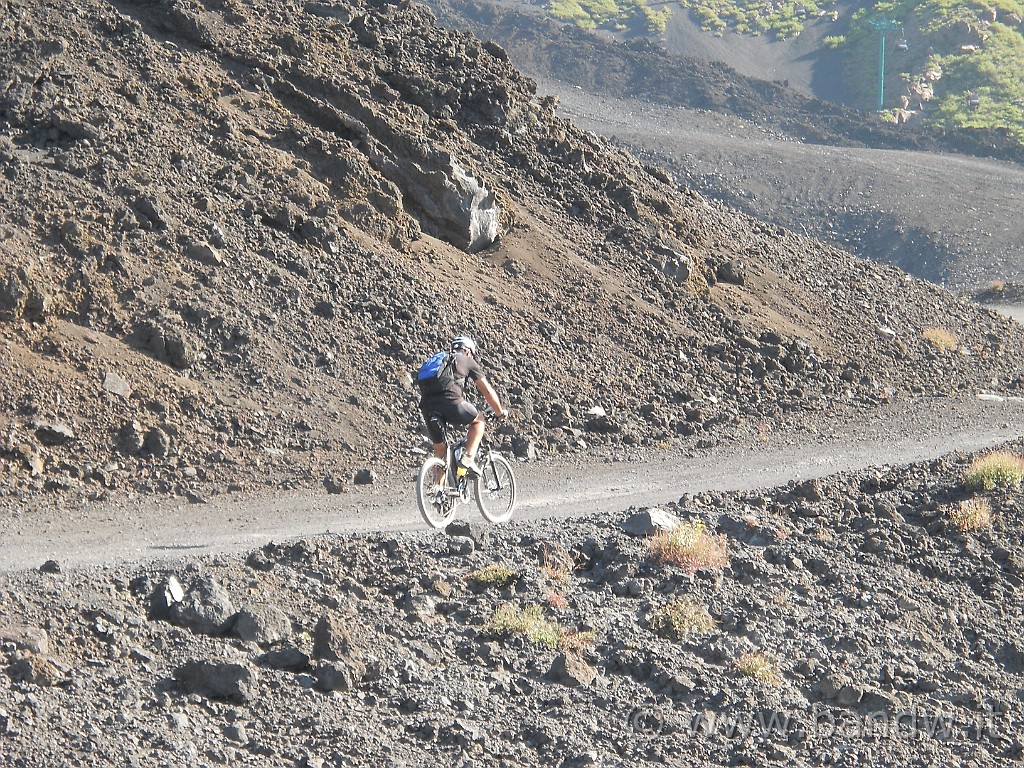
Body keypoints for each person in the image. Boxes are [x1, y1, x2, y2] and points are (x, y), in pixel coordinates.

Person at [419, 336, 506, 475]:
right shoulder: (467, 360)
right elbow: (488, 391)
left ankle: (437, 490)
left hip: (427, 406)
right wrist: (500, 413)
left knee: (440, 451)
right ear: (469, 352)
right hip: (451, 402)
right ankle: (468, 459)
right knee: (479, 420)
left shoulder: (441, 360)